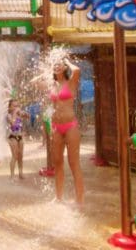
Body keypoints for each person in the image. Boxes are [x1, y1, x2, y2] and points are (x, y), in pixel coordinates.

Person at [47, 58, 83, 204]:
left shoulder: (71, 82)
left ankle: (79, 200)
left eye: (59, 64)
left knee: (73, 163)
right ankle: (58, 197)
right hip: (56, 126)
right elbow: (33, 82)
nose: (56, 66)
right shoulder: (52, 85)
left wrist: (66, 61)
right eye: (54, 65)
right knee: (57, 162)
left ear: (64, 68)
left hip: (70, 126)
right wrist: (49, 69)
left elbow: (77, 70)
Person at [6, 98, 25, 180]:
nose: (16, 107)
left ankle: (20, 173)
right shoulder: (8, 116)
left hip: (20, 136)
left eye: (17, 106)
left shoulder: (19, 114)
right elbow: (13, 124)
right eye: (14, 106)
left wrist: (25, 114)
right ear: (10, 107)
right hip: (12, 137)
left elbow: (27, 117)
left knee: (20, 155)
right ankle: (12, 175)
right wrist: (15, 113)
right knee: (15, 156)